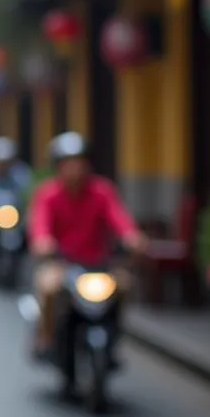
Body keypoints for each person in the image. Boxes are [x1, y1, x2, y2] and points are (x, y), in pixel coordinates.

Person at [27, 131, 146, 360]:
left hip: (99, 265)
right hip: (63, 264)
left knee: (124, 285)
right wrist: (42, 242)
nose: (75, 169)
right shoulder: (48, 195)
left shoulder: (102, 191)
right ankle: (46, 336)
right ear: (59, 166)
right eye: (69, 164)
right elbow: (40, 227)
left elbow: (120, 219)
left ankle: (115, 333)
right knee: (48, 287)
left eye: (79, 163)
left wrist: (132, 237)